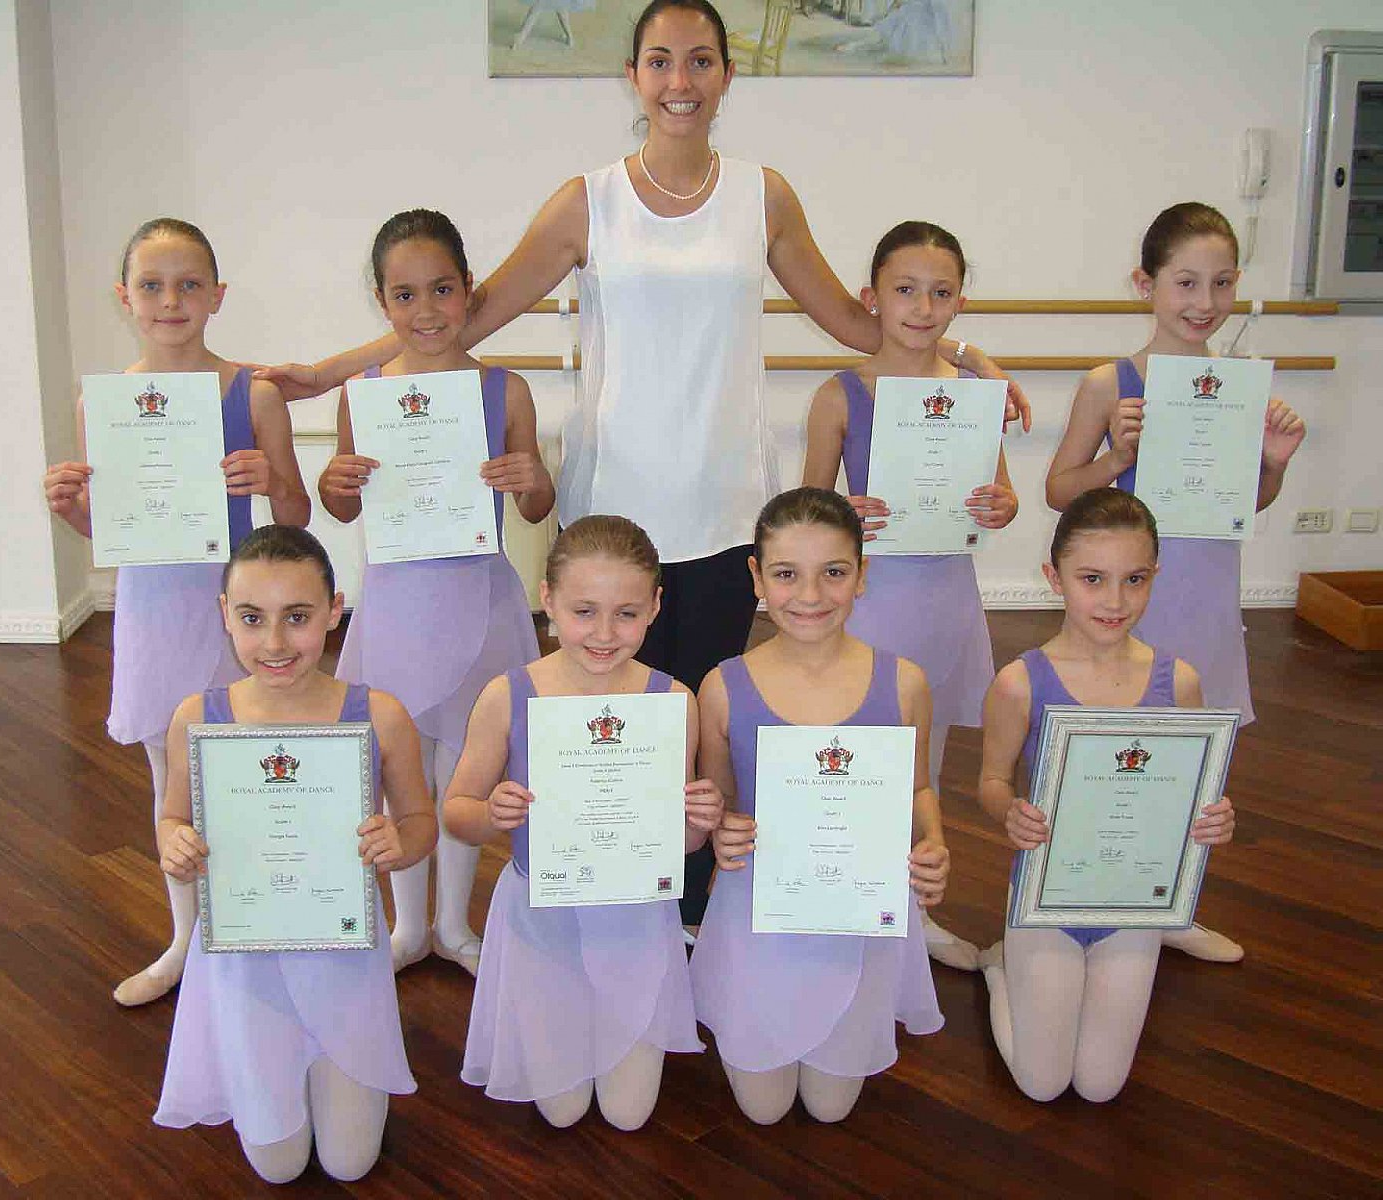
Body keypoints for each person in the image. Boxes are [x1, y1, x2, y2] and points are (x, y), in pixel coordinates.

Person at [259, 0, 1025, 929]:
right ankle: (605, 894)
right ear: (633, 75)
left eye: (700, 61)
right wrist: (329, 374)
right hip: (612, 507)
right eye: (660, 61)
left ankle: (692, 911)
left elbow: (862, 325)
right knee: (610, 721)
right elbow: (462, 315)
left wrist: (973, 364)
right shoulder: (586, 201)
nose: (680, 82)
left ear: (727, 74)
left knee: (702, 728)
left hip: (727, 504)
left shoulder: (765, 197)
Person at [41, 218, 309, 1006]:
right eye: (152, 285)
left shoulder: (254, 394)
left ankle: (265, 921)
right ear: (124, 297)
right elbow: (111, 530)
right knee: (174, 779)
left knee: (254, 767)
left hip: (242, 614)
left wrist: (269, 480)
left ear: (217, 296)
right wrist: (74, 510)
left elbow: (296, 517)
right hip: (155, 609)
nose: (171, 300)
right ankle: (186, 938)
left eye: (189, 284)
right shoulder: (106, 405)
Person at [1044, 201, 1303, 963]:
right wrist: (1118, 456)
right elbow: (1060, 490)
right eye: (1185, 282)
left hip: (1208, 600)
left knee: (1195, 758)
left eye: (1221, 283)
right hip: (1126, 605)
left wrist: (1273, 465)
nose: (1204, 302)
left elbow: (1245, 504)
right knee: (1113, 753)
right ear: (1145, 284)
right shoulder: (1111, 383)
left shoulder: (1240, 387)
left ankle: (1171, 904)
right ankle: (1081, 895)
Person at [152, 525, 434, 1182]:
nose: (275, 643)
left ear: (335, 610)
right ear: (225, 614)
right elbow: (170, 817)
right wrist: (175, 844)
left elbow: (421, 821)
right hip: (245, 961)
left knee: (350, 1163)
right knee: (277, 1167)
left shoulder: (379, 715)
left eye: (298, 617)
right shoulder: (197, 717)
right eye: (253, 618)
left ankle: (333, 1077)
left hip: (344, 956)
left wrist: (400, 844)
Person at [319, 210, 554, 976]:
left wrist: (531, 478)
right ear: (382, 302)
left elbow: (537, 507)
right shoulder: (362, 395)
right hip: (395, 607)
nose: (426, 310)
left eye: (442, 289)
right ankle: (406, 928)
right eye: (405, 294)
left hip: (478, 601)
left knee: (465, 769)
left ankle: (453, 925)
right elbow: (343, 507)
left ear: (469, 289)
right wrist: (334, 482)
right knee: (401, 766)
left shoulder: (504, 390)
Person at [443, 516, 719, 1130]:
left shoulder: (672, 701)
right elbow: (457, 811)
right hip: (543, 918)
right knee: (562, 1110)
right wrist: (492, 815)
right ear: (548, 600)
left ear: (655, 606)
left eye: (626, 613)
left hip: (636, 920)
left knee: (629, 1114)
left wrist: (698, 822)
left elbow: (680, 842)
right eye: (584, 611)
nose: (604, 633)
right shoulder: (509, 694)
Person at [690, 487, 945, 1125]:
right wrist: (722, 832)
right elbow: (720, 797)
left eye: (833, 572)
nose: (809, 595)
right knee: (764, 1109)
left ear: (862, 574)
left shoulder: (904, 682)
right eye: (786, 574)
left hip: (856, 912)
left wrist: (933, 842)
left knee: (831, 1109)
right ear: (757, 577)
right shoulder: (723, 686)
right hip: (761, 912)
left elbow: (917, 787)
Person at [801, 220, 1016, 973]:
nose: (923, 308)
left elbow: (1005, 494)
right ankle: (846, 896)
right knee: (859, 753)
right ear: (873, 298)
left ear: (960, 302)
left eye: (941, 292)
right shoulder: (840, 395)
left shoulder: (974, 391)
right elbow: (806, 510)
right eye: (905, 290)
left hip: (946, 598)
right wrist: (841, 515)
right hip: (873, 600)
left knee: (926, 762)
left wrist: (1001, 504)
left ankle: (916, 913)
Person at [974, 489, 1236, 1103]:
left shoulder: (1179, 682)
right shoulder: (1020, 682)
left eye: (1134, 580)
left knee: (1100, 1085)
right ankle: (999, 971)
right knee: (1042, 1084)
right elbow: (991, 781)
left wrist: (1213, 819)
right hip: (1047, 897)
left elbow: (1193, 791)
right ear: (1054, 578)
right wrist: (1009, 812)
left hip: (1132, 902)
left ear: (1154, 578)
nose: (1115, 601)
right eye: (1092, 579)